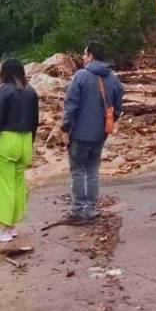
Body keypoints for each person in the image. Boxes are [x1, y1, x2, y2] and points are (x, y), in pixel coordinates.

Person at [61, 42, 124, 223]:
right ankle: (90, 209)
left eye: (84, 54)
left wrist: (66, 128)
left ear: (90, 56)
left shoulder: (80, 76)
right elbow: (117, 107)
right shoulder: (113, 79)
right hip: (100, 134)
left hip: (80, 133)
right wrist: (108, 123)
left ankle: (77, 210)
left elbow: (71, 106)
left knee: (78, 171)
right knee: (93, 171)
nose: (82, 57)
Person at [0, 59, 40, 242]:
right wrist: (30, 142)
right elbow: (35, 121)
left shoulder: (4, 91)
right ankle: (13, 226)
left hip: (8, 141)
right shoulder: (31, 91)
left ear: (5, 72)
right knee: (18, 184)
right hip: (25, 141)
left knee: (4, 186)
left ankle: (5, 229)